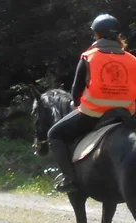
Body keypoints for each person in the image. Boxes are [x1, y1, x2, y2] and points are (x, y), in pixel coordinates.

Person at [48, 13, 136, 193]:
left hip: (94, 113)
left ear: (96, 34)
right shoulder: (132, 59)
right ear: (118, 35)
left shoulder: (88, 57)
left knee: (54, 135)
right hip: (128, 114)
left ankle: (70, 180)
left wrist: (75, 103)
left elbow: (76, 91)